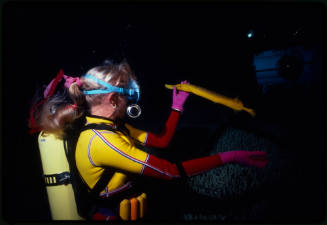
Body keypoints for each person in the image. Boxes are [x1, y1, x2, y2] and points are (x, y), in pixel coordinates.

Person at [29, 60, 269, 221]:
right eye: (127, 96)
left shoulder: (113, 127)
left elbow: (161, 141)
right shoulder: (105, 141)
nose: (131, 102)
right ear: (113, 100)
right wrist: (232, 156)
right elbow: (171, 171)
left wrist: (177, 107)